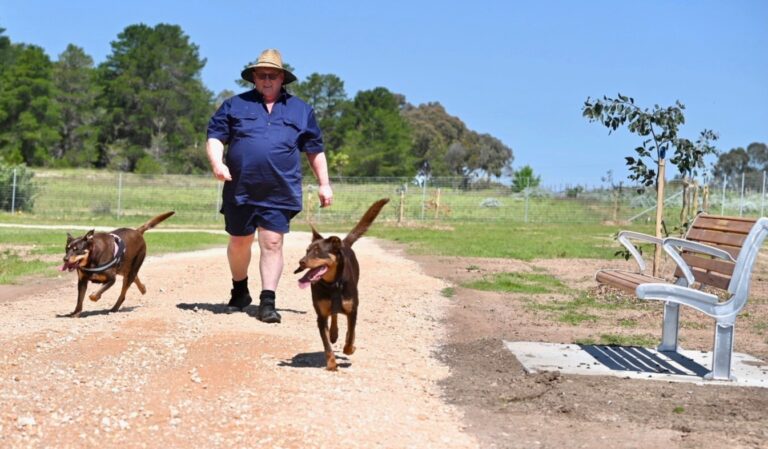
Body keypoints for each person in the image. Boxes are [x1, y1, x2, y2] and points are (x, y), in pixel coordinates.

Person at [206, 48, 333, 323]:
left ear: (282, 78)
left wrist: (324, 184)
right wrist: (218, 163)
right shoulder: (234, 105)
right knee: (239, 241)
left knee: (272, 242)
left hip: (279, 189)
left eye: (272, 75)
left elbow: (315, 150)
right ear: (253, 77)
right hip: (240, 187)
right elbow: (216, 135)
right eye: (261, 75)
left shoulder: (301, 111)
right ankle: (240, 291)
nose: (266, 80)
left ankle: (267, 301)